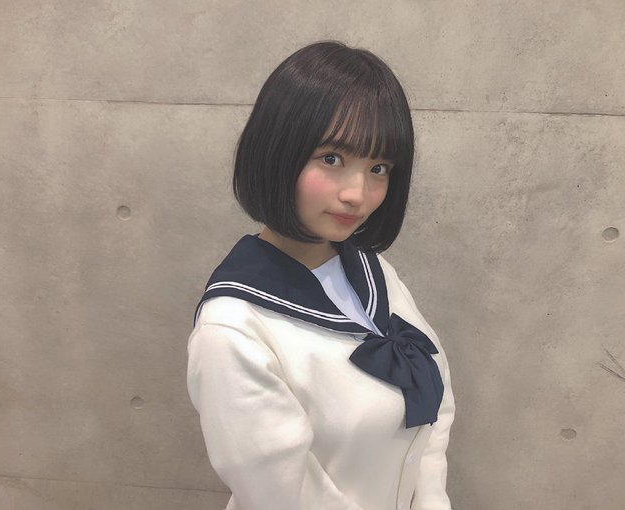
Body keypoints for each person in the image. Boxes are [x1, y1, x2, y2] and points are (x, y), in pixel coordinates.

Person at [186, 40, 455, 510]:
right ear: (277, 152)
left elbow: (435, 407)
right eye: (332, 158)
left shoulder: (373, 272)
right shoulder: (233, 329)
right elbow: (285, 493)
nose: (358, 194)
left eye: (378, 168)